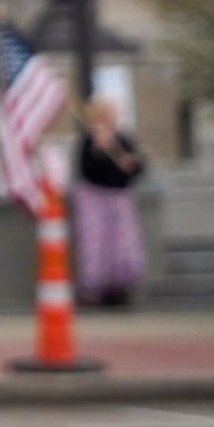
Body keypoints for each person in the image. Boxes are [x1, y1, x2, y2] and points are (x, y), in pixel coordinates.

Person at [73, 95, 149, 306]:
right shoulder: (88, 139)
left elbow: (139, 168)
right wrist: (98, 151)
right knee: (96, 244)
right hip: (95, 197)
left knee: (122, 243)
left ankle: (119, 287)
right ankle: (93, 288)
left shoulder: (122, 139)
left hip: (119, 196)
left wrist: (131, 165)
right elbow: (86, 169)